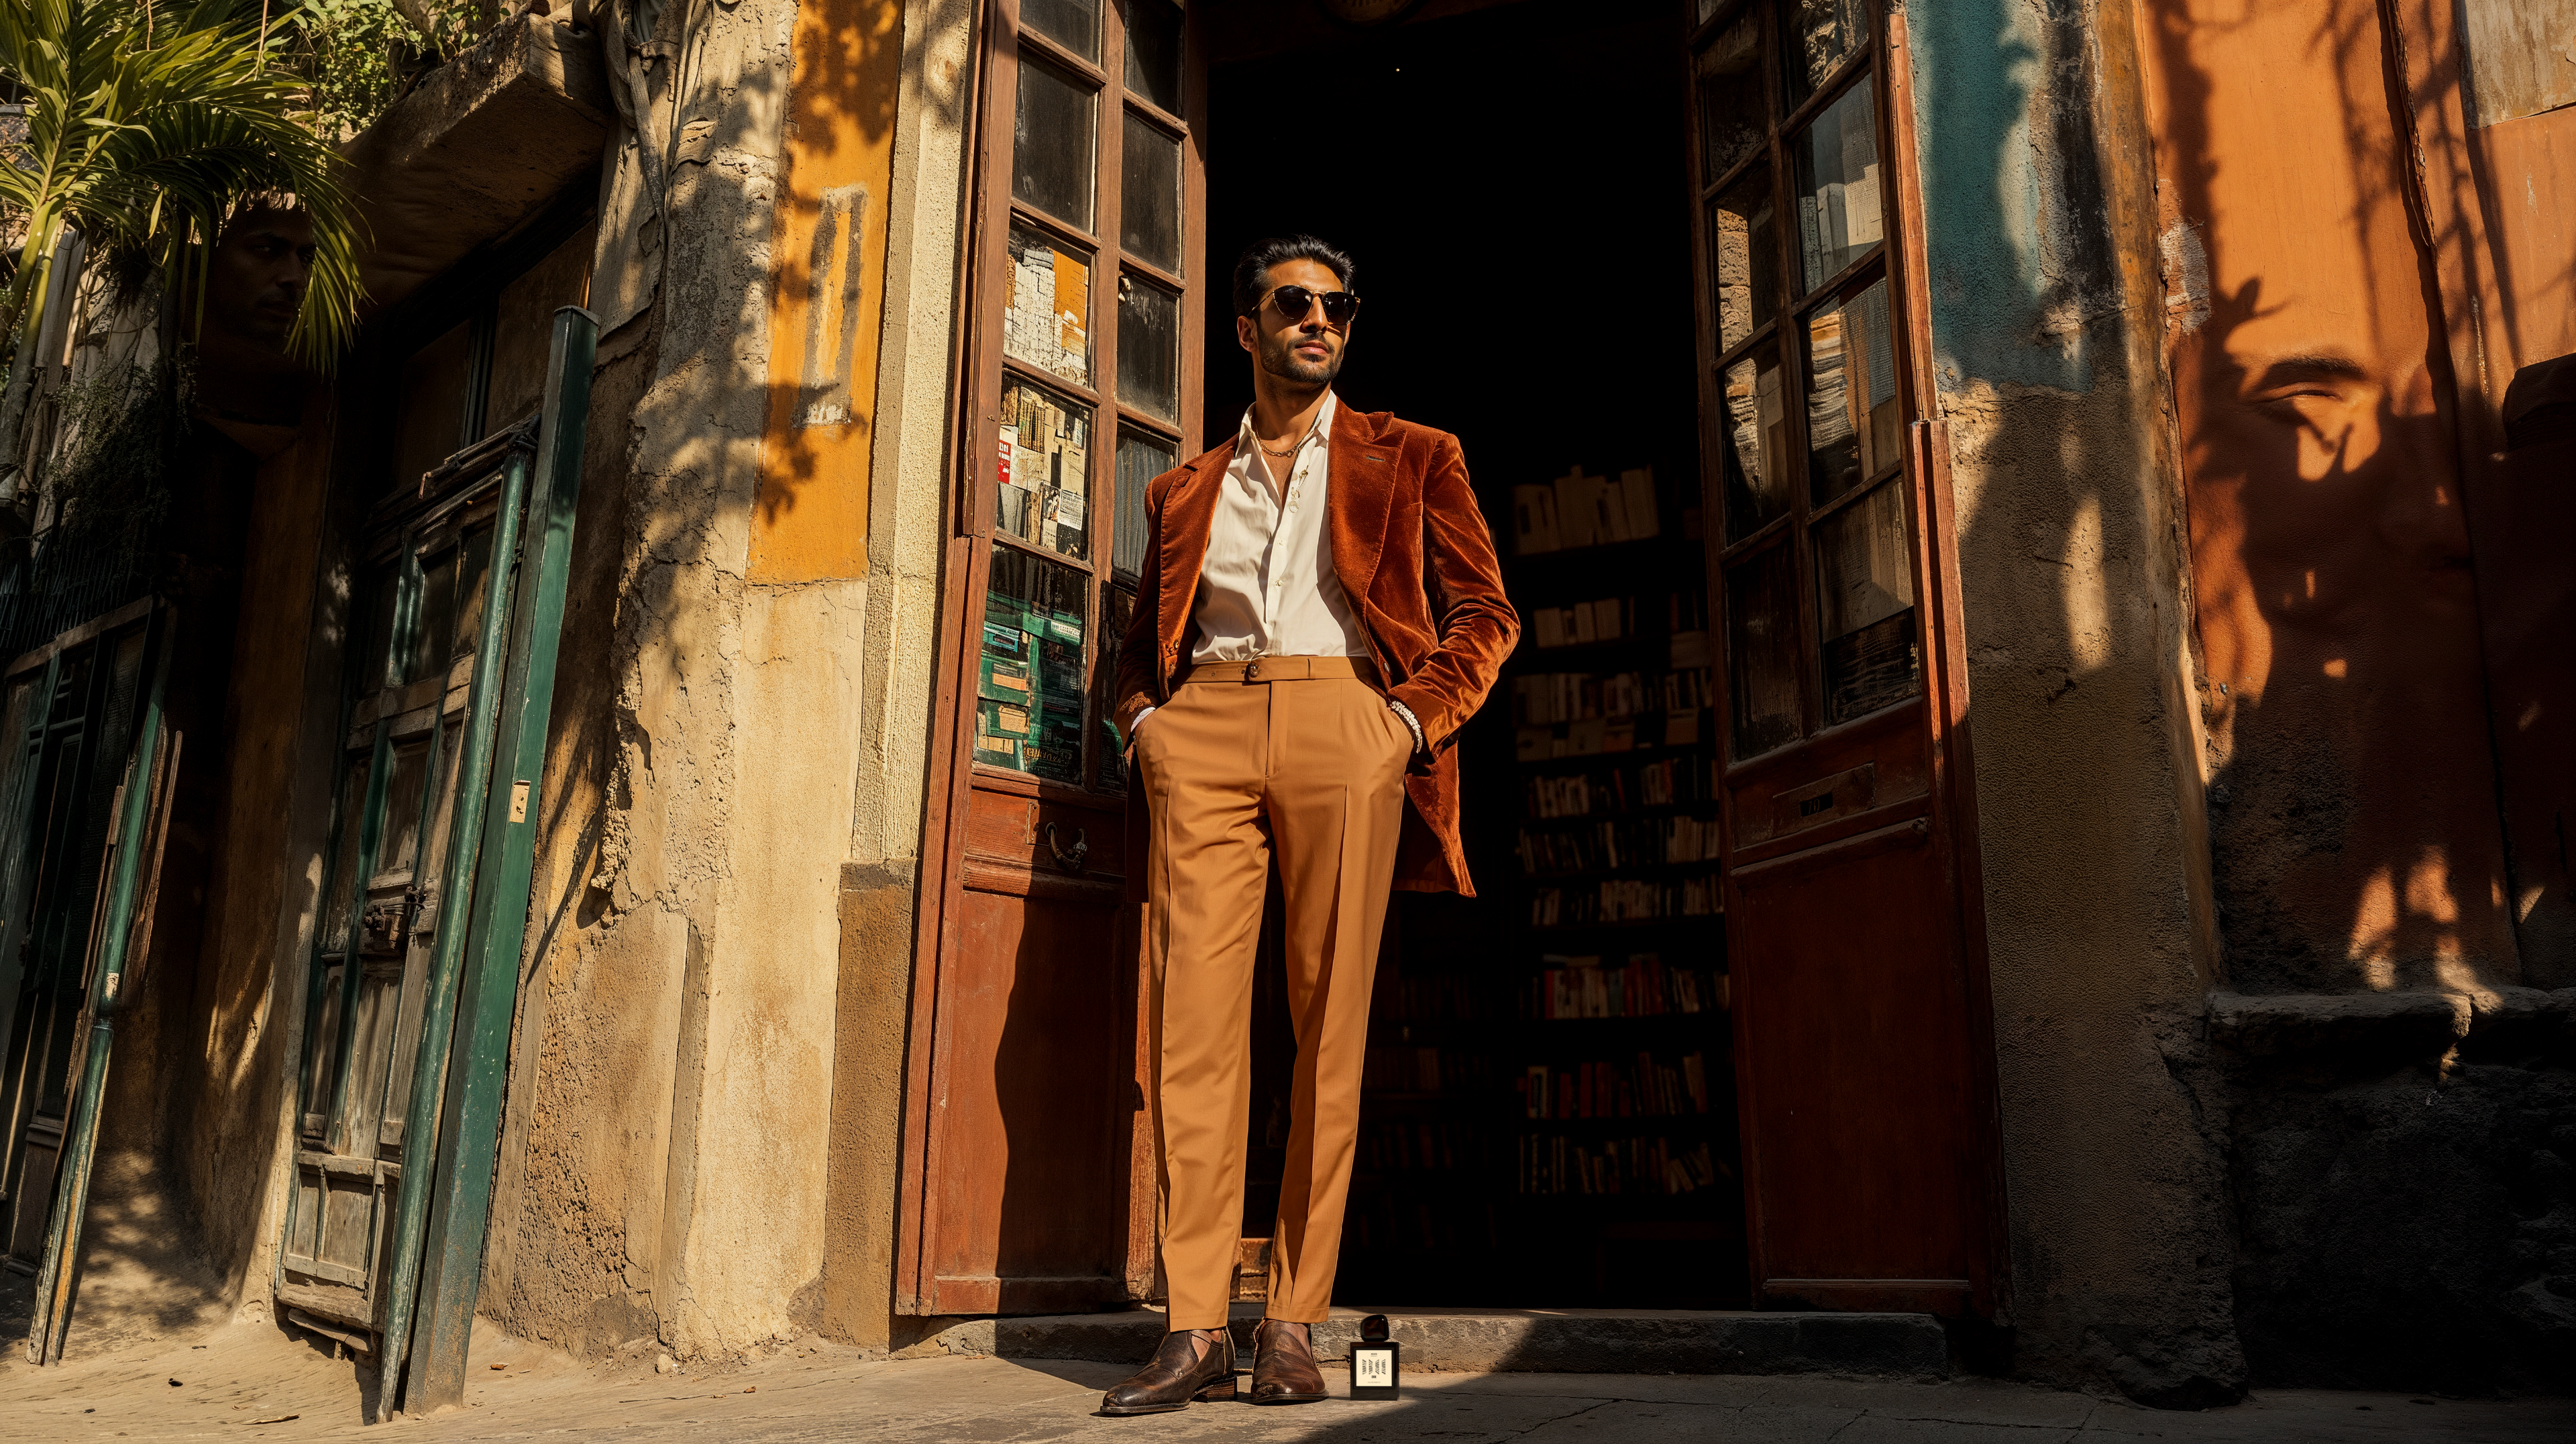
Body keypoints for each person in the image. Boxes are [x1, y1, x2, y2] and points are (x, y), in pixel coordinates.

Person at [1097, 236, 1515, 1414]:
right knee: (1192, 1028)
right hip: (1209, 732)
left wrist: (1406, 723)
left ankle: (1290, 1320)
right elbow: (1138, 652)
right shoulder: (1182, 492)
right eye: (1295, 304)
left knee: (1330, 1026)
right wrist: (1148, 728)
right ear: (1248, 327)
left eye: (1338, 307)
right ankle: (1189, 1328)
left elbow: (1486, 612)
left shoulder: (1415, 454)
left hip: (1347, 722)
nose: (1320, 321)